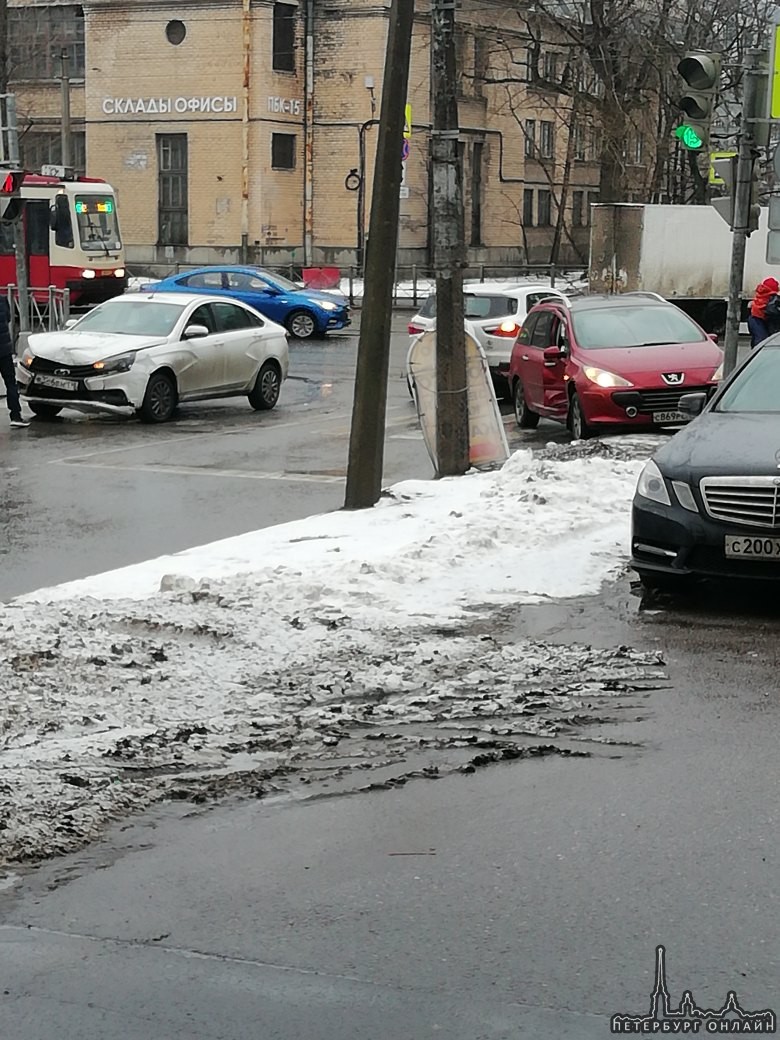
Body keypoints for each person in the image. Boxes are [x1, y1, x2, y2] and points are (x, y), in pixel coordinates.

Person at [0, 296, 30, 428]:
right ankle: (16, 416)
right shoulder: (2, 300)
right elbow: (8, 319)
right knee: (11, 383)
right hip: (4, 351)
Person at [747, 277, 780, 348]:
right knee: (762, 340)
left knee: (759, 339)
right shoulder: (772, 298)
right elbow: (772, 310)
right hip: (761, 318)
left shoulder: (761, 293)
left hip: (755, 317)